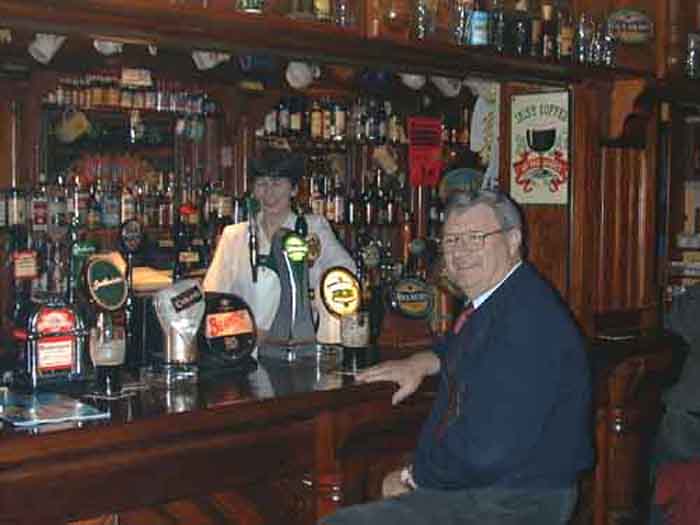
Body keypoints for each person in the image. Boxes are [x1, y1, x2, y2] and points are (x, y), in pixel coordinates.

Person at [321, 190, 593, 524]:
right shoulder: (505, 298)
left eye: (476, 238)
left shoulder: (527, 320)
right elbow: (464, 343)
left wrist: (413, 478)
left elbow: (487, 451)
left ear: (513, 240)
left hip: (514, 502)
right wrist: (422, 361)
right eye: (451, 240)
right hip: (498, 488)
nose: (460, 252)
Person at [203, 148, 354, 344]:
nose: (269, 193)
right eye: (261, 184)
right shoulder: (234, 236)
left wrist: (316, 306)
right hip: (247, 351)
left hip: (299, 348)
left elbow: (347, 278)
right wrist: (248, 333)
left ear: (293, 189)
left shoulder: (313, 228)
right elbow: (214, 299)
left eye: (277, 183)